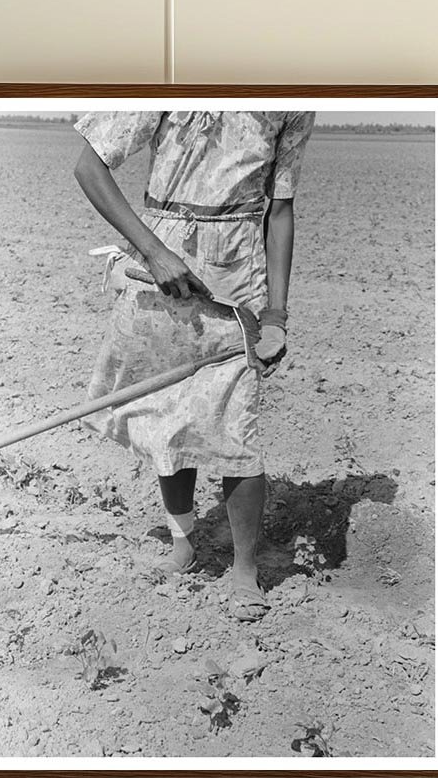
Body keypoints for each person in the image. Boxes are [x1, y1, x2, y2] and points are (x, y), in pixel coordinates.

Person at [73, 110, 315, 622]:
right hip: (156, 269)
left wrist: (276, 315)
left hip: (236, 279)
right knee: (165, 417)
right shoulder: (175, 80)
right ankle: (183, 544)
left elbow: (280, 209)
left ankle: (244, 570)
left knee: (236, 427)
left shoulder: (291, 99)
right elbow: (88, 167)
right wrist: (156, 254)